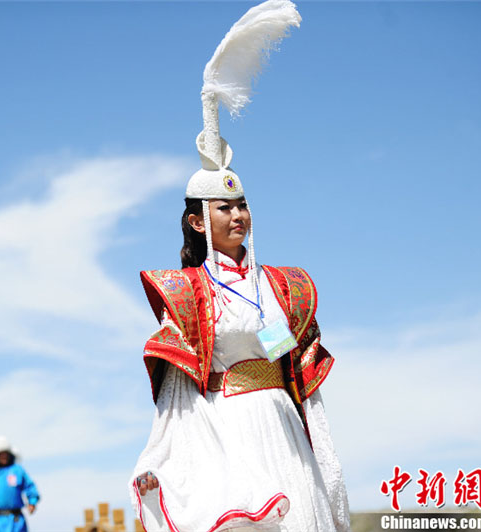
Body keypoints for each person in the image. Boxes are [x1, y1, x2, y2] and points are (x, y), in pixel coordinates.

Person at [129, 1, 350, 531]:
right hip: (230, 429)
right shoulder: (188, 294)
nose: (238, 215)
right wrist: (163, 458)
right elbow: (180, 396)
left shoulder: (282, 285)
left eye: (242, 205)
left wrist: (324, 453)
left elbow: (298, 373)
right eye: (224, 208)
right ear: (199, 222)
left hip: (284, 427)